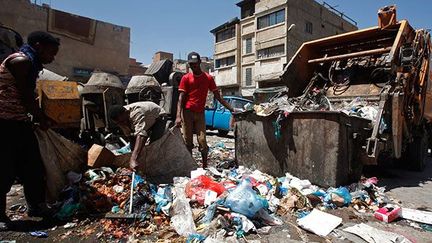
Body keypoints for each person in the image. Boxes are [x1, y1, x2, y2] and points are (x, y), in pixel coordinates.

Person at [0, 31, 60, 231]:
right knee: (5, 170)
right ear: (38, 46)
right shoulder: (21, 61)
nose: (53, 57)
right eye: (51, 52)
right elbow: (26, 96)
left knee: (33, 166)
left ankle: (36, 206)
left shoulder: (31, 65)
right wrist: (42, 119)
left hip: (19, 121)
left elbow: (29, 99)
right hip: (4, 123)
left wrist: (43, 117)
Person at [175, 52, 234, 168]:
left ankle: (205, 166)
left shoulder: (208, 78)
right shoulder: (186, 78)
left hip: (200, 114)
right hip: (187, 113)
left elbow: (218, 97)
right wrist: (178, 116)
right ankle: (190, 165)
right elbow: (180, 99)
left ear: (199, 63)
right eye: (191, 64)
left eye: (195, 64)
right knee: (188, 142)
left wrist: (231, 109)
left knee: (202, 140)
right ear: (189, 65)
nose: (194, 66)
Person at [109, 101, 169, 171]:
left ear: (127, 113)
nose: (123, 124)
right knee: (138, 149)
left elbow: (141, 135)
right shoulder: (121, 119)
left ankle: (156, 166)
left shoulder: (137, 113)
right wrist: (132, 153)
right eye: (119, 123)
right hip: (146, 120)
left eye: (123, 121)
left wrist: (133, 158)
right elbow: (130, 136)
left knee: (153, 145)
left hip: (159, 117)